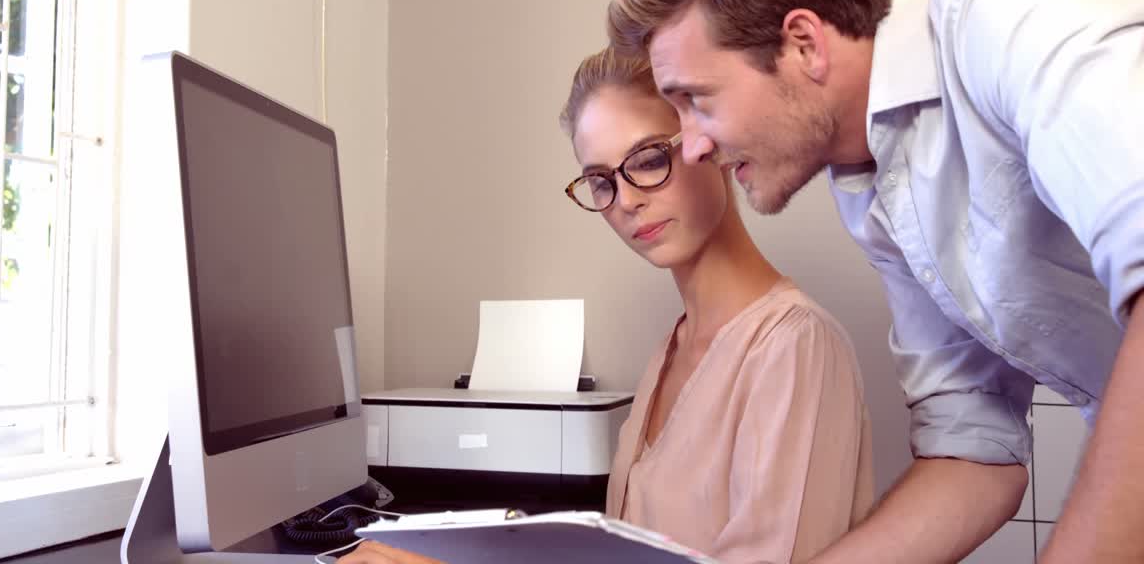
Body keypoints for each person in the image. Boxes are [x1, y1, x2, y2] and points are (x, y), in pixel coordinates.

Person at [606, 0, 1144, 564]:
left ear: (803, 44)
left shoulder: (1020, 0)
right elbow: (973, 454)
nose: (692, 146)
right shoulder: (877, 187)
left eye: (696, 100)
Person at [340, 48, 873, 563]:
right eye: (601, 181)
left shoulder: (794, 346)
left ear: (707, 140)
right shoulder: (674, 348)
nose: (627, 200)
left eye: (649, 159)